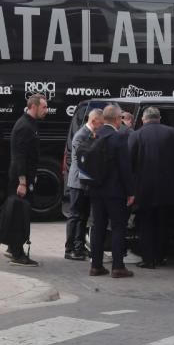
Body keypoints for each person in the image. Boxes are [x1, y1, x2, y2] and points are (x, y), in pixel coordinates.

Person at [129, 107, 174, 268]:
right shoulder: (172, 133)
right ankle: (161, 257)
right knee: (163, 224)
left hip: (143, 190)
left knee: (145, 224)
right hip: (167, 188)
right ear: (159, 118)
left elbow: (129, 162)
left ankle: (148, 259)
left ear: (143, 119)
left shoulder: (136, 135)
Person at [88, 105, 135, 278]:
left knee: (98, 227)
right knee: (118, 227)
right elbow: (125, 168)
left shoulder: (93, 135)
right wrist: (131, 192)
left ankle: (96, 266)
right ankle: (117, 267)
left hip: (95, 189)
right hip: (115, 192)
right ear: (117, 120)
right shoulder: (119, 138)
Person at [7, 93, 48, 266]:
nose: (46, 110)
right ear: (34, 106)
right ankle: (18, 253)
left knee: (19, 214)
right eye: (44, 107)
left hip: (25, 177)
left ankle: (12, 247)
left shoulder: (31, 124)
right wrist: (23, 182)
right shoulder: (25, 126)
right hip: (20, 180)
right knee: (20, 216)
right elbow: (19, 157)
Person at [65, 108, 103, 260]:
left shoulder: (91, 134)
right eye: (101, 123)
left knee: (83, 216)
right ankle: (70, 249)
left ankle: (79, 246)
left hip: (86, 182)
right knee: (75, 215)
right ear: (93, 121)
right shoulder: (81, 136)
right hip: (78, 182)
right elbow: (81, 161)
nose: (102, 126)